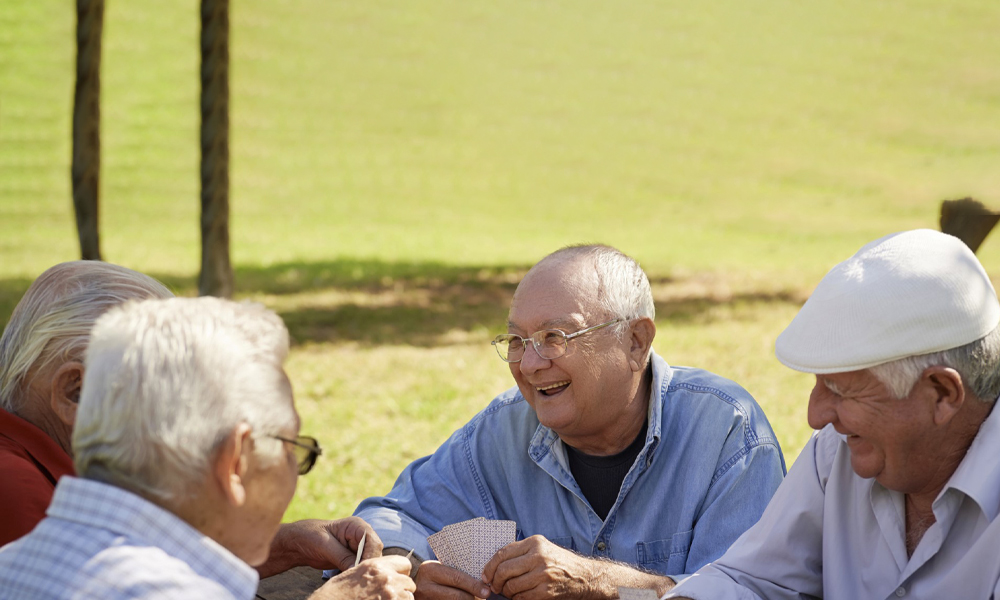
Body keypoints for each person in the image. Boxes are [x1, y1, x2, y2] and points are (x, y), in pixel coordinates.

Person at [354, 244, 786, 599]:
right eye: (518, 341)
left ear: (637, 342)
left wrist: (600, 584)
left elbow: (751, 593)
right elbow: (388, 517)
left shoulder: (728, 432)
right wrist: (410, 566)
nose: (530, 364)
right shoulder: (503, 431)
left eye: (555, 338)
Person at [0, 297, 415, 599]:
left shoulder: (13, 562)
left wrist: (280, 543)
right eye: (292, 448)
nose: (294, 469)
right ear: (236, 461)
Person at [665, 229, 1000, 600]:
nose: (815, 415)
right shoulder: (836, 453)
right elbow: (753, 582)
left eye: (840, 390)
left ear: (941, 394)